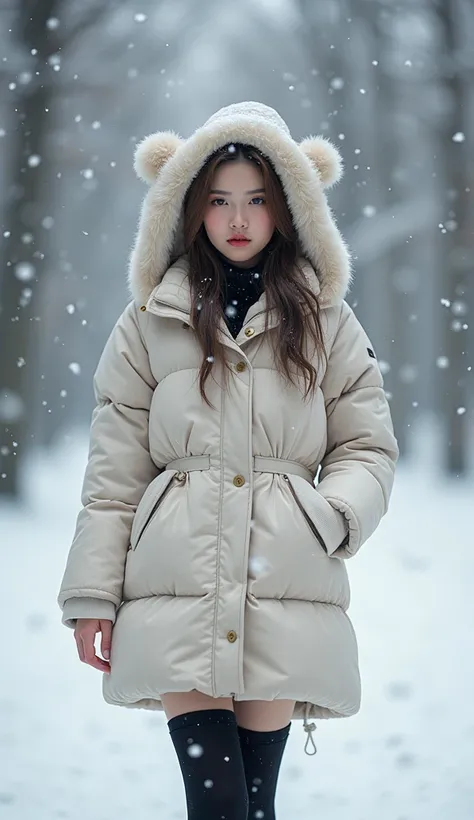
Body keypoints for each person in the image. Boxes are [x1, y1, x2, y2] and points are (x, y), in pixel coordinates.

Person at [57, 101, 399, 820]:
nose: (237, 218)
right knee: (217, 808)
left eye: (257, 200)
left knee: (255, 806)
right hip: (179, 584)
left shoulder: (327, 319)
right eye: (218, 200)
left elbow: (366, 444)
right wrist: (91, 595)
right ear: (189, 207)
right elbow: (114, 471)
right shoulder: (149, 320)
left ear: (289, 209)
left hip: (283, 581)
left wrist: (332, 515)